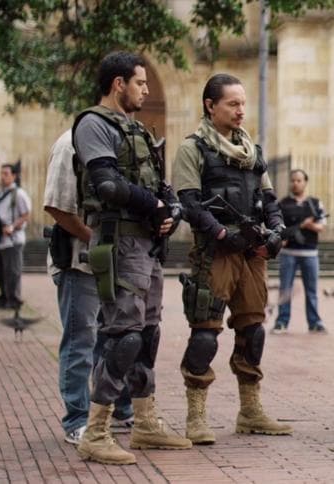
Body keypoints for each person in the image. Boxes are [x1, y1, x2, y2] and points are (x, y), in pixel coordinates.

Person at [73, 51, 190, 465]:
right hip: (120, 244)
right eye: (139, 82)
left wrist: (171, 211)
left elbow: (162, 185)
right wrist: (154, 206)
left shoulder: (136, 129)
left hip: (147, 246)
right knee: (124, 336)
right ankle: (97, 430)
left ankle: (145, 423)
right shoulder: (93, 125)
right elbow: (106, 183)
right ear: (118, 83)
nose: (146, 88)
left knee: (149, 333)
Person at [173, 73, 291, 445]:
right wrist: (223, 234)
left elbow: (270, 200)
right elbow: (190, 204)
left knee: (253, 331)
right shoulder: (193, 149)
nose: (242, 110)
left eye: (243, 103)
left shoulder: (251, 152)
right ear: (211, 105)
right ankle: (196, 416)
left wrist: (276, 232)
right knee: (206, 333)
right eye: (233, 103)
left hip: (252, 256)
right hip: (215, 254)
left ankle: (250, 411)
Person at [43, 130, 134, 446]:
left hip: (118, 260)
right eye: (138, 83)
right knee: (80, 341)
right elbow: (56, 207)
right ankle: (77, 419)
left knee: (117, 337)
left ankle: (118, 409)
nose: (146, 90)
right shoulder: (70, 143)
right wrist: (93, 241)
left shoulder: (125, 141)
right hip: (78, 262)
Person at [273, 169, 328, 334]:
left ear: (305, 182)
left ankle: (315, 322)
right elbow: (279, 228)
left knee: (311, 291)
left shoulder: (315, 203)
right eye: (293, 180)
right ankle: (281, 322)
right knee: (285, 289)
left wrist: (309, 225)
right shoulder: (282, 204)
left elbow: (322, 226)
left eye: (299, 180)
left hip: (310, 253)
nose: (295, 183)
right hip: (288, 253)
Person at [0, 163, 31, 310]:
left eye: (6, 174)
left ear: (14, 176)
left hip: (13, 240)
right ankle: (4, 297)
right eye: (1, 173)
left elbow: (26, 215)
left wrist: (12, 226)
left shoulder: (19, 194)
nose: (2, 176)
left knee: (12, 272)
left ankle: (14, 300)